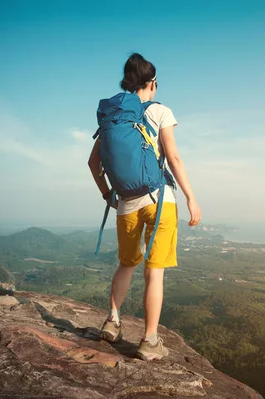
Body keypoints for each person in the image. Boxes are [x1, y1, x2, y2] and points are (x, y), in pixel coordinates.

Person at [88, 53, 201, 360]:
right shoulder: (160, 111)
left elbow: (93, 161)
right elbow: (173, 158)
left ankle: (112, 321)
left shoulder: (115, 116)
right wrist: (191, 196)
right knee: (155, 271)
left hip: (125, 203)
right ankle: (150, 341)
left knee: (126, 264)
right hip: (159, 199)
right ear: (153, 82)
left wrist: (107, 195)